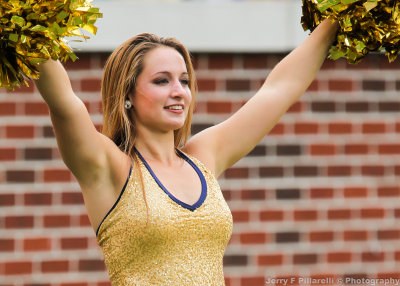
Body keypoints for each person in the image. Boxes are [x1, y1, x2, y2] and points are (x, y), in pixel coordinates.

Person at [34, 18, 338, 285]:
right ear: (127, 94)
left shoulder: (202, 158)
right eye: (162, 81)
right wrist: (29, 24)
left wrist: (339, 18)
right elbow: (64, 103)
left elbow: (278, 89)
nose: (179, 91)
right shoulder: (108, 168)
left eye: (184, 80)